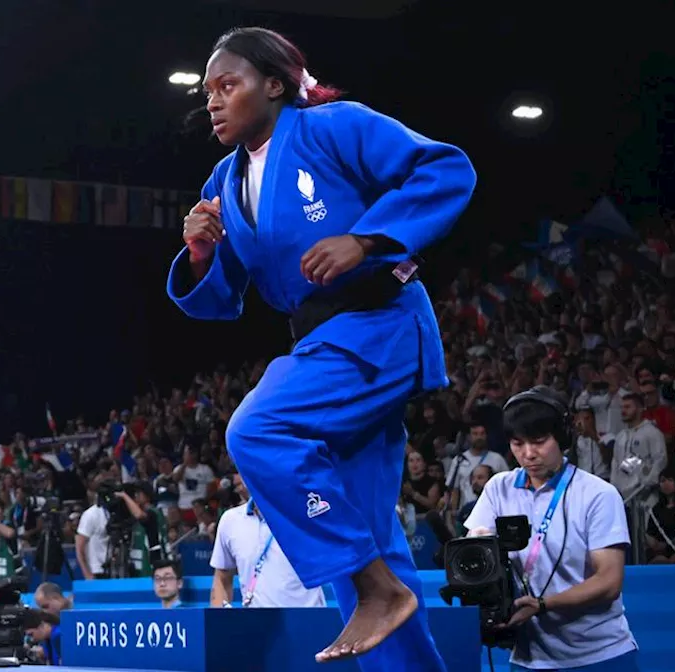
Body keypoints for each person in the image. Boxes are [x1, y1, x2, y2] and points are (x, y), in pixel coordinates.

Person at [170, 26, 474, 666]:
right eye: (208, 92)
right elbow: (222, 295)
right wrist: (200, 253)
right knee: (367, 541)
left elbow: (444, 168)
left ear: (275, 84)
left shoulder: (332, 127)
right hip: (320, 337)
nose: (215, 102)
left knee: (256, 430)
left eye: (230, 85)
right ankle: (382, 599)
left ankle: (373, 588)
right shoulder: (225, 181)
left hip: (376, 324)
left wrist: (365, 240)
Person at [466, 387, 639, 671]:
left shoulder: (598, 495)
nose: (528, 454)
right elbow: (474, 548)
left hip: (599, 656)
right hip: (528, 658)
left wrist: (544, 604)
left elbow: (609, 581)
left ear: (562, 437)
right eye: (517, 443)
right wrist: (479, 546)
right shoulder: (499, 488)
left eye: (538, 441)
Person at [210, 471, 326, 609]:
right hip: (256, 625)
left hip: (308, 623)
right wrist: (217, 623)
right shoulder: (230, 520)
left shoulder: (306, 513)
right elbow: (221, 578)